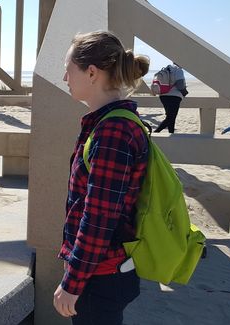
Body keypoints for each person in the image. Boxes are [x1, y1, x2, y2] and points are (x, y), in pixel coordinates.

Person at [53, 30, 150, 325]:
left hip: (100, 275)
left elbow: (99, 217)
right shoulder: (114, 122)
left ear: (92, 73)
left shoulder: (112, 132)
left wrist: (73, 282)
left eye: (69, 70)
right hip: (106, 269)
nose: (65, 78)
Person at [154, 62, 187, 133]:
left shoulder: (166, 68)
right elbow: (180, 85)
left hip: (163, 96)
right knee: (171, 117)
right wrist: (184, 92)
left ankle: (171, 133)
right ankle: (155, 133)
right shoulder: (178, 70)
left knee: (170, 116)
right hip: (174, 97)